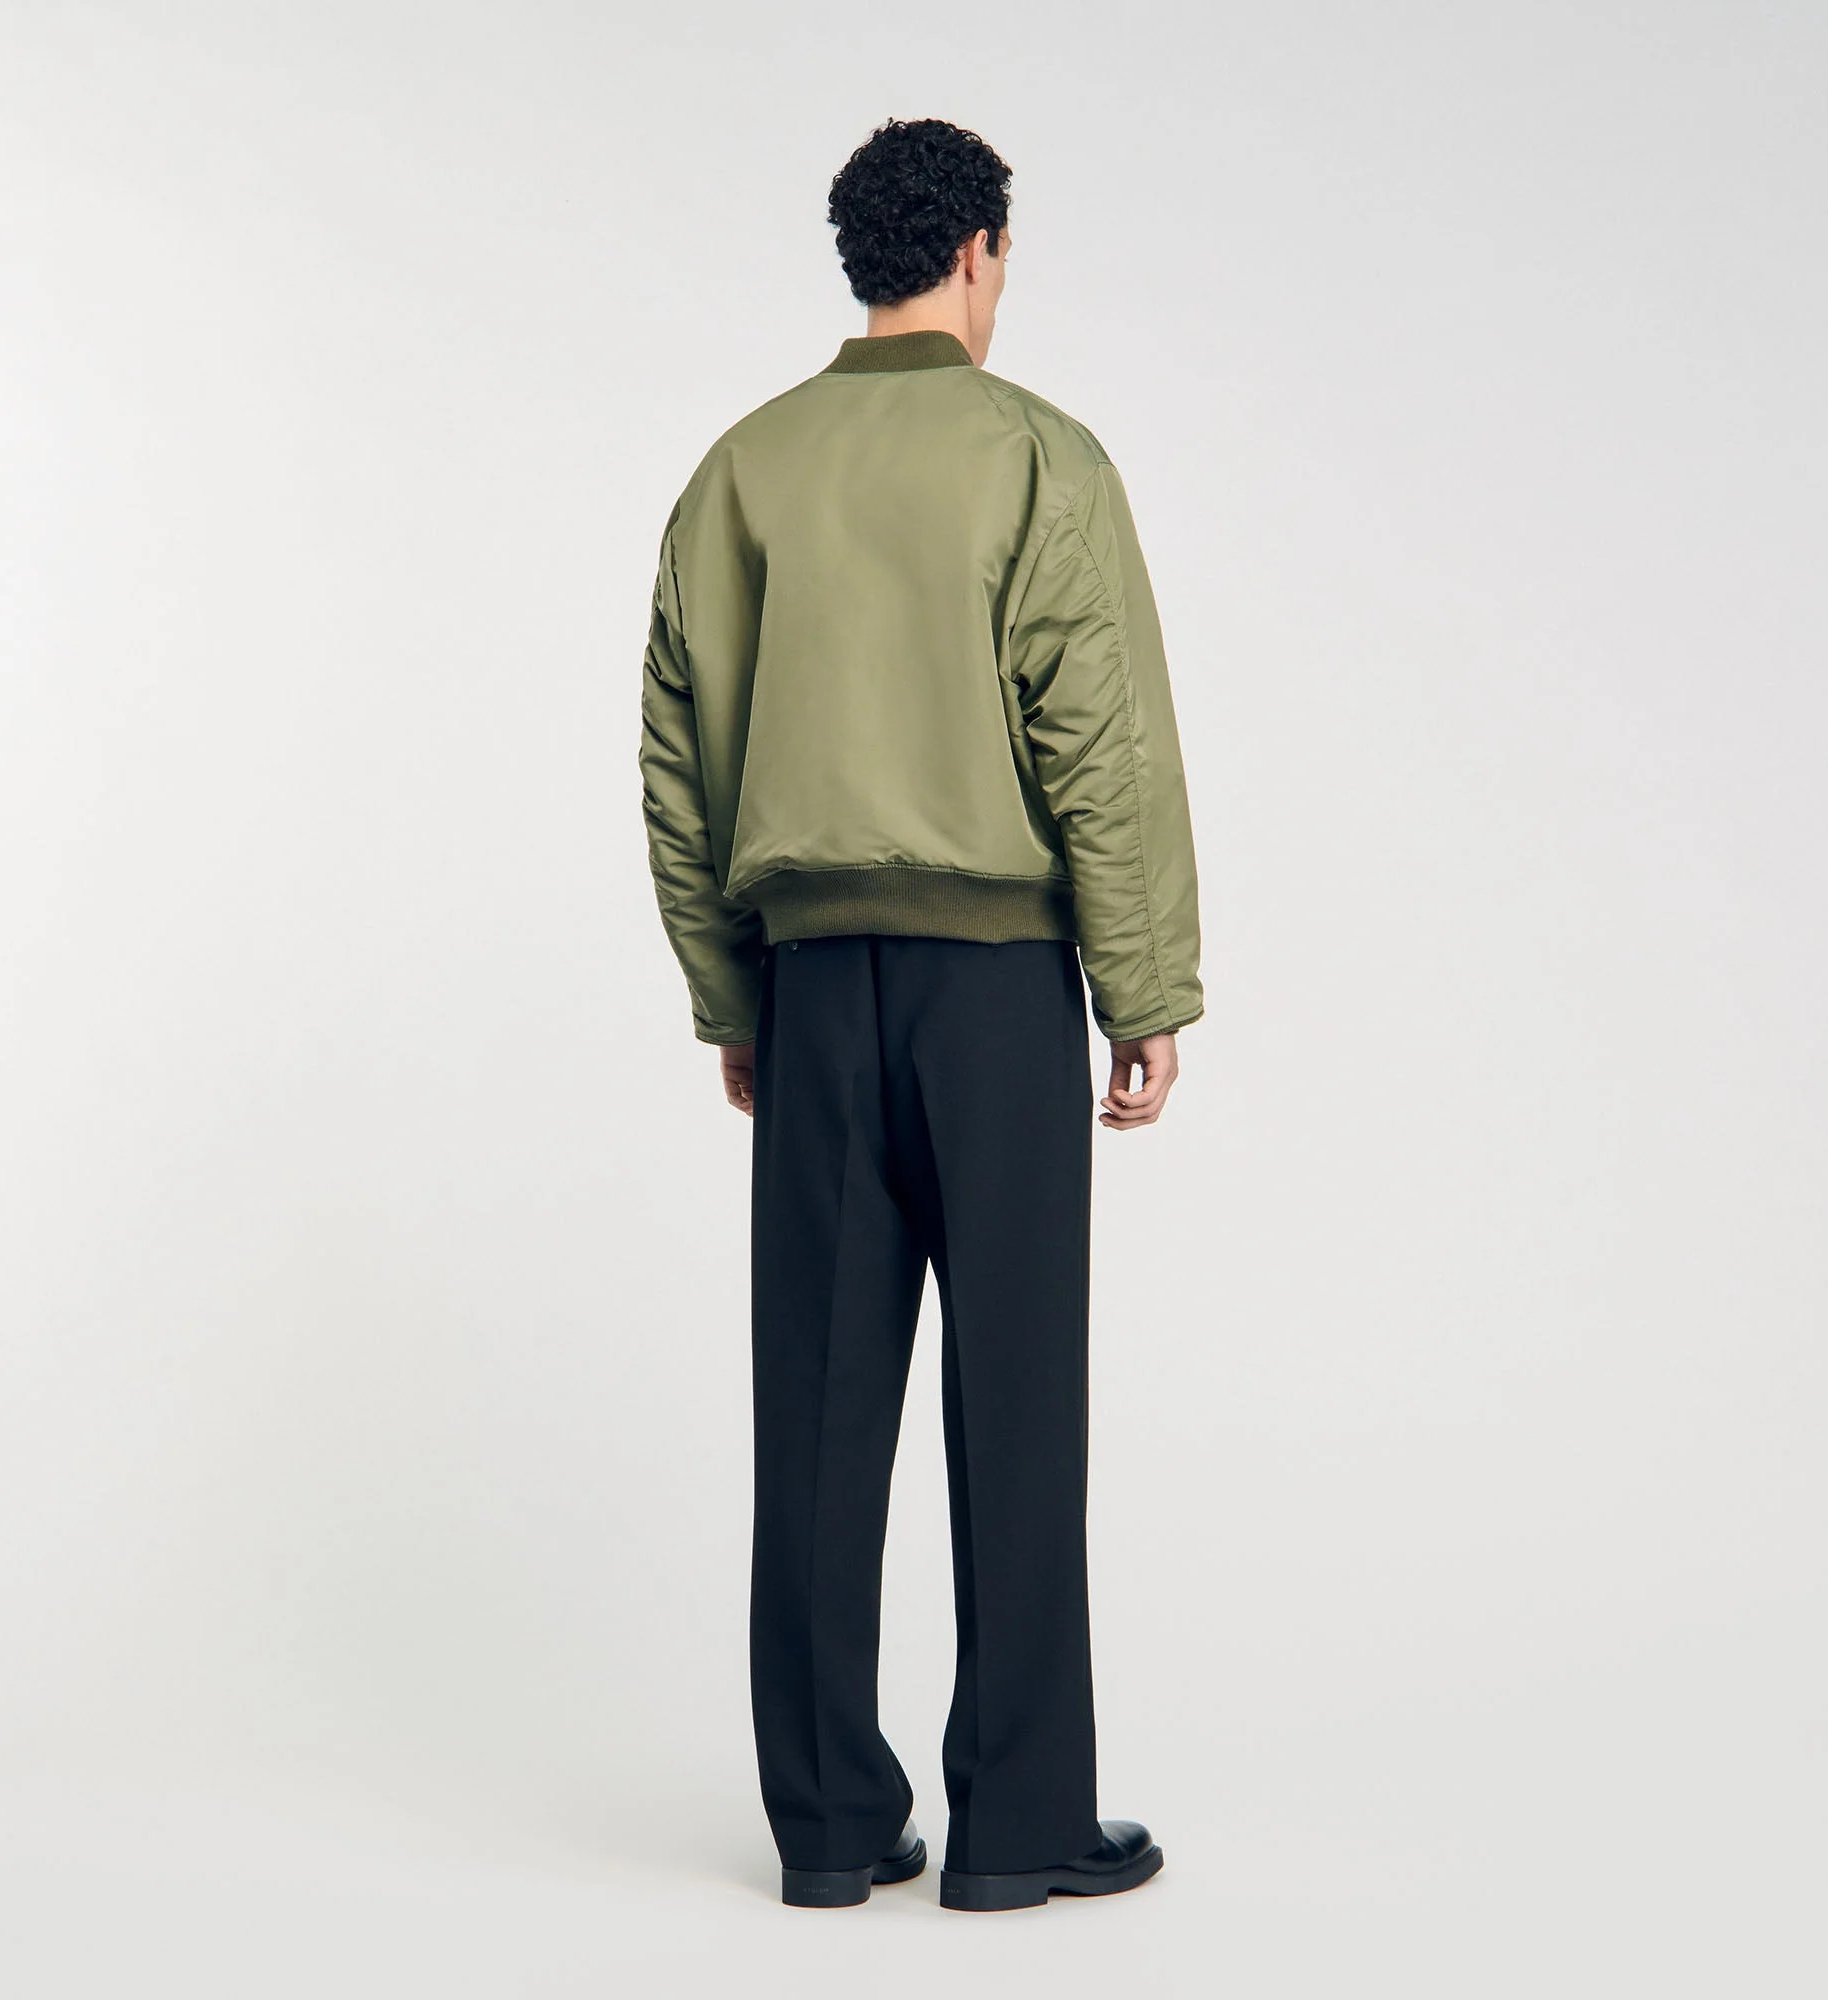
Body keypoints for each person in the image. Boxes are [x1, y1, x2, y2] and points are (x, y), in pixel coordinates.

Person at [638, 116, 1203, 1913]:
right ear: (978, 252)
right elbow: (1097, 740)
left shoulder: (742, 470)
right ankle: (1021, 1824)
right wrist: (1144, 987)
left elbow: (680, 762)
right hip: (994, 992)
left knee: (814, 1410)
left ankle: (825, 1826)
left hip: (811, 989)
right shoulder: (1037, 458)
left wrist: (734, 994)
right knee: (1016, 1404)